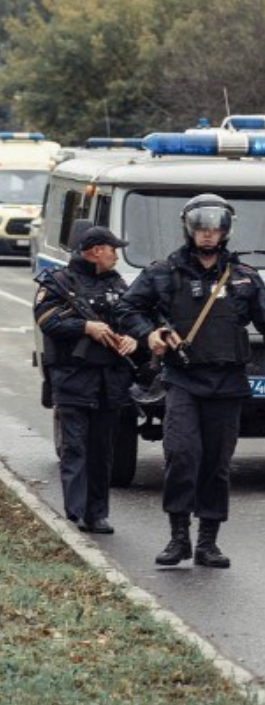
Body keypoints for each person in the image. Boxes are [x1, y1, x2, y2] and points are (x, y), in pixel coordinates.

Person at [118, 194, 265, 570]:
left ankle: (208, 542)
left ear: (226, 231)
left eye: (215, 229)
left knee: (216, 463)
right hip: (183, 380)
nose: (208, 236)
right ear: (189, 229)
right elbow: (127, 308)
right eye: (201, 228)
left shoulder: (244, 276)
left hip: (228, 383)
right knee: (182, 454)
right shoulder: (164, 272)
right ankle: (178, 536)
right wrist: (149, 334)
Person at [35, 226, 138, 534]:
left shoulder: (118, 285)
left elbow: (136, 317)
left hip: (110, 382)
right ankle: (75, 514)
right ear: (95, 251)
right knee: (75, 448)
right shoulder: (58, 282)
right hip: (73, 380)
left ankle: (98, 513)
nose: (116, 254)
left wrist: (134, 338)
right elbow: (46, 319)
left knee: (102, 451)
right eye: (112, 249)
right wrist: (86, 328)